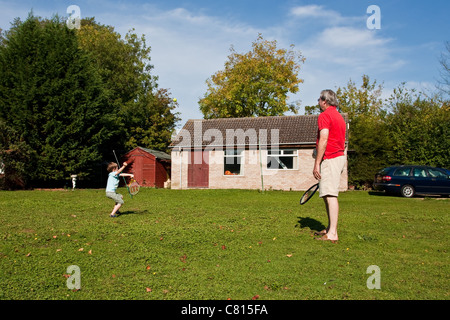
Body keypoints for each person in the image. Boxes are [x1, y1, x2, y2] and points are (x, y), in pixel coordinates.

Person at [313, 89, 346, 243]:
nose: (318, 102)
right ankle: (329, 228)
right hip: (338, 157)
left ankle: (333, 233)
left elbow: (324, 139)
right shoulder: (338, 116)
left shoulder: (324, 116)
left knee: (330, 195)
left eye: (319, 99)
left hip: (331, 158)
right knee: (327, 194)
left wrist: (317, 163)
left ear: (324, 101)